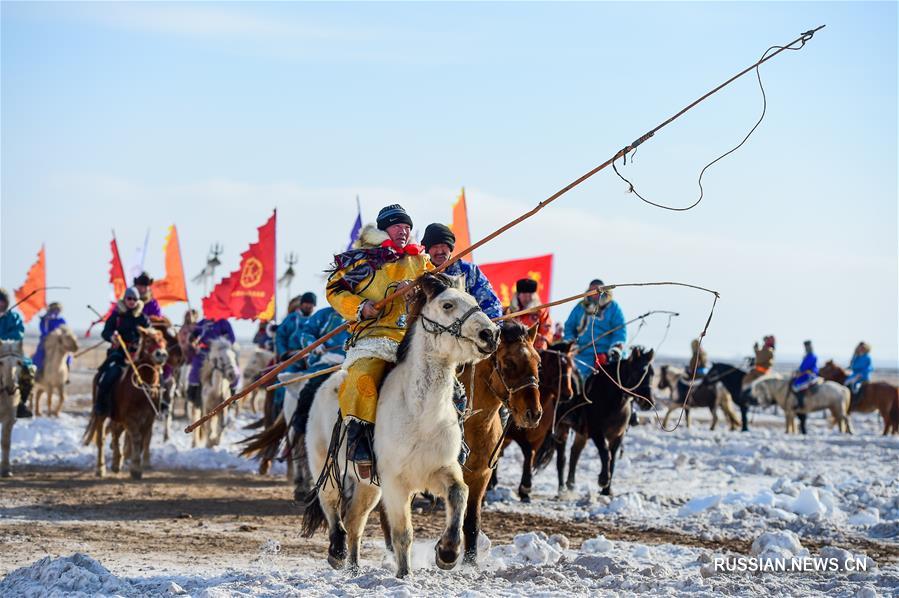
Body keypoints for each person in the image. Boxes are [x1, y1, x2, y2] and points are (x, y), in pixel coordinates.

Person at [326, 204, 432, 478]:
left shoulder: (420, 260)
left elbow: (439, 285)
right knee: (363, 375)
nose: (404, 230)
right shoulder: (363, 260)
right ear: (385, 228)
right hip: (374, 336)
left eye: (408, 226)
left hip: (413, 337)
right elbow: (334, 289)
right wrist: (362, 307)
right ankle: (360, 439)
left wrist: (419, 289)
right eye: (398, 225)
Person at [421, 223, 503, 319]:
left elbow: (490, 303)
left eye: (443, 245)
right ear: (428, 249)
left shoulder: (468, 270)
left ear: (450, 247)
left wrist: (491, 328)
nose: (439, 251)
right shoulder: (421, 272)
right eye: (435, 246)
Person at [95, 287, 152, 416]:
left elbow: (150, 333)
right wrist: (112, 337)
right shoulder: (116, 316)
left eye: (134, 299)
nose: (132, 301)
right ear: (125, 299)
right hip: (120, 355)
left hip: (139, 356)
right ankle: (101, 404)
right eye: (129, 298)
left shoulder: (143, 318)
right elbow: (105, 332)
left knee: (155, 376)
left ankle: (159, 403)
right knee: (110, 375)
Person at [563, 279, 626, 381]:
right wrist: (571, 344)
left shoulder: (613, 307)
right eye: (592, 291)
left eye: (598, 291)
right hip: (583, 353)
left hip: (607, 353)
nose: (595, 294)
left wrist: (616, 347)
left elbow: (620, 330)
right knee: (570, 376)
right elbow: (569, 327)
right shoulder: (580, 307)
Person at [186, 314, 236, 408]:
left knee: (232, 368)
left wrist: (220, 343)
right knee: (195, 369)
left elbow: (231, 338)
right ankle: (193, 394)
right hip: (204, 352)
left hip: (219, 353)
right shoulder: (203, 322)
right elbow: (195, 334)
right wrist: (192, 336)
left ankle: (233, 395)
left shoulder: (223, 322)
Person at [0, 288, 34, 418]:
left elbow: (19, 333)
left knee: (28, 372)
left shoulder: (14, 317)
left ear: (6, 303)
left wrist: (2, 336)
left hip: (10, 353)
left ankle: (20, 404)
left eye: (1, 301)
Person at [505, 278, 553, 350]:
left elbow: (547, 331)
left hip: (535, 350)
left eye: (530, 295)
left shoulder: (541, 312)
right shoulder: (508, 312)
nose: (527, 298)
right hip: (512, 351)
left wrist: (542, 341)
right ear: (518, 295)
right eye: (524, 295)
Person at [32, 302, 70, 381]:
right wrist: (46, 321)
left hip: (59, 342)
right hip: (47, 341)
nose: (56, 312)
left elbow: (65, 330)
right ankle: (38, 372)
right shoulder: (44, 319)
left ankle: (66, 373)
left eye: (58, 310)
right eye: (55, 310)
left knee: (67, 355)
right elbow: (43, 331)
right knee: (40, 353)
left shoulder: (61, 320)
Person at [275, 292, 317, 359]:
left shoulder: (315, 320)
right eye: (306, 303)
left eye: (311, 304)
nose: (308, 306)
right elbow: (280, 336)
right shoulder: (291, 319)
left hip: (311, 356)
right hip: (292, 356)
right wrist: (283, 353)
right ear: (301, 304)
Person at [791, 340, 818, 410]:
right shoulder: (807, 356)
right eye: (805, 347)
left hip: (810, 375)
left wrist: (799, 373)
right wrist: (797, 371)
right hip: (804, 374)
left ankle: (801, 405)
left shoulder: (812, 356)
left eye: (807, 347)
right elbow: (802, 367)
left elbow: (806, 368)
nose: (806, 348)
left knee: (797, 386)